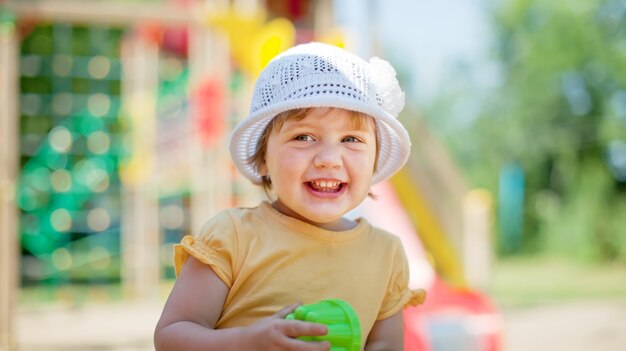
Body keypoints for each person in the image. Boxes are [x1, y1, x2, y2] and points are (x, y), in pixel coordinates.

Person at [154, 42, 425, 351]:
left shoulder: (386, 254)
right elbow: (171, 336)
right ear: (263, 158)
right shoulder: (234, 236)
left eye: (351, 139)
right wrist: (247, 342)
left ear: (374, 160)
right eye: (304, 137)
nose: (329, 159)